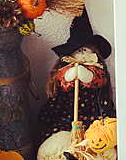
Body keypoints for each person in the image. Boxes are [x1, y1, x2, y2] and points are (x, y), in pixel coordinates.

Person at [37, 9, 115, 139]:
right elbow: (62, 79)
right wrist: (71, 73)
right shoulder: (65, 66)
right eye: (78, 50)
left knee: (98, 135)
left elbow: (96, 78)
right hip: (66, 113)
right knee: (59, 134)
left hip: (93, 112)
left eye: (85, 49)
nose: (82, 52)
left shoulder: (96, 67)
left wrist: (84, 73)